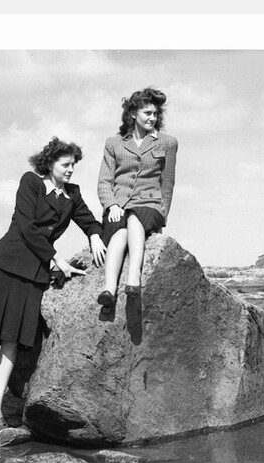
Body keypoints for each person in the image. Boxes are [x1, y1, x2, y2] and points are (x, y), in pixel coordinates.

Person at [0, 137, 106, 438]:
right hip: (5, 264)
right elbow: (27, 227)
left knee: (13, 341)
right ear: (49, 164)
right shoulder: (30, 182)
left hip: (33, 274)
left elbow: (89, 220)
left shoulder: (73, 194)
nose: (70, 170)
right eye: (65, 165)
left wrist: (95, 235)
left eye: (73, 165)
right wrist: (56, 258)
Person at [96, 87, 178, 341]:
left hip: (149, 206)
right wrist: (112, 205)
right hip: (118, 207)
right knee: (119, 231)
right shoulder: (114, 143)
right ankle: (109, 290)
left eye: (155, 113)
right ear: (133, 113)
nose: (152, 117)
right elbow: (103, 182)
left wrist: (162, 216)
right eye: (147, 112)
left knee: (134, 219)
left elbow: (167, 184)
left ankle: (133, 282)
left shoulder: (167, 142)